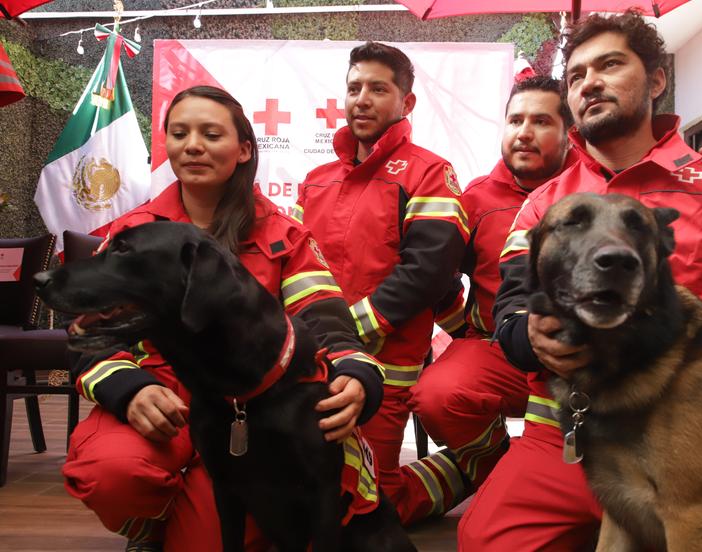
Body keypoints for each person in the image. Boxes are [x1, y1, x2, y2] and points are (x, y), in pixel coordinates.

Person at [459, 11, 702, 550]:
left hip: (686, 425)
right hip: (566, 432)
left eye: (610, 65)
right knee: (484, 541)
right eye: (578, 75)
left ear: (656, 79)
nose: (591, 83)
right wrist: (528, 336)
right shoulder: (543, 204)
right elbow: (511, 307)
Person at [62, 85, 385, 552]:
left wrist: (357, 374)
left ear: (244, 150)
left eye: (211, 134)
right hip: (164, 402)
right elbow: (85, 335)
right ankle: (151, 526)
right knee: (112, 475)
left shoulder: (283, 236)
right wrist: (128, 390)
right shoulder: (133, 235)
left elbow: (324, 321)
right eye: (179, 134)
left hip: (251, 414)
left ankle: (189, 516)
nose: (192, 145)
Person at [294, 42, 469, 525]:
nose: (362, 99)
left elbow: (429, 270)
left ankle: (468, 467)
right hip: (310, 358)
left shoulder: (430, 172)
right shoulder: (314, 180)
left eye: (378, 88)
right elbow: (289, 268)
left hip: (385, 363)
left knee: (372, 506)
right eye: (354, 88)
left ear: (406, 102)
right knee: (306, 487)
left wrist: (350, 330)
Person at [408, 75, 573, 495]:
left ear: (570, 133)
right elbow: (437, 276)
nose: (524, 133)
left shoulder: (597, 186)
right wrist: (463, 331)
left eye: (541, 121)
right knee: (438, 395)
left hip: (582, 360)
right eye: (515, 120)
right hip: (499, 353)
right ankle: (496, 469)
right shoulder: (475, 199)